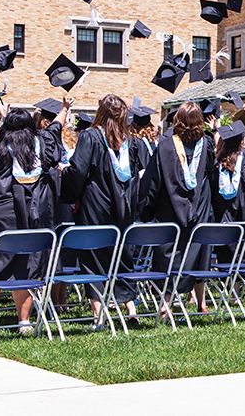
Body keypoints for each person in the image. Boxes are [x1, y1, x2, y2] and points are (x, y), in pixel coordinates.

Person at [0, 98, 68, 338]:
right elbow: (54, 129)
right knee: (25, 268)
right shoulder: (41, 146)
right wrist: (64, 110)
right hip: (32, 217)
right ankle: (24, 322)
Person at [63, 94, 144, 321]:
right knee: (122, 256)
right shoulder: (130, 140)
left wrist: (64, 173)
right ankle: (131, 310)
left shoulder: (91, 136)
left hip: (96, 206)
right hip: (124, 207)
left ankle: (99, 315)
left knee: (93, 257)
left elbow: (78, 171)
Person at [139, 101, 215, 316]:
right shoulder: (207, 144)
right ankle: (201, 301)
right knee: (196, 251)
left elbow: (152, 182)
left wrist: (146, 210)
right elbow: (210, 175)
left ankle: (166, 303)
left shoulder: (165, 146)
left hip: (170, 210)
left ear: (177, 121)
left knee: (169, 255)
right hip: (199, 210)